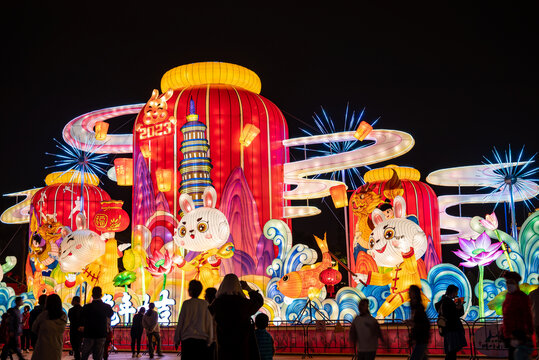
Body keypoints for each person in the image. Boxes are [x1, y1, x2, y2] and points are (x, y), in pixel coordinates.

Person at [208, 274, 264, 360]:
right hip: (242, 349)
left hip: (223, 349)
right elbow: (259, 301)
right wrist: (248, 288)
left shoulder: (216, 304)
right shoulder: (244, 304)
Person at [174, 280, 213, 360]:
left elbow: (181, 322)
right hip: (202, 341)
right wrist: (210, 339)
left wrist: (177, 339)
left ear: (190, 291)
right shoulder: (205, 304)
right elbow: (209, 323)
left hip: (187, 341)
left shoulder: (186, 304)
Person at [501, 271, 533, 360]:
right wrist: (504, 331)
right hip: (509, 335)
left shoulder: (522, 297)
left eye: (511, 283)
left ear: (516, 283)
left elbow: (527, 315)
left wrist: (528, 332)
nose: (508, 285)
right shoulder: (508, 296)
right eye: (507, 283)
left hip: (518, 335)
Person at [80, 287, 113, 360]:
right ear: (101, 295)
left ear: (92, 295)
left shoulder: (87, 307)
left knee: (85, 355)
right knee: (98, 355)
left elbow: (82, 317)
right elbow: (110, 314)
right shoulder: (106, 307)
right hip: (101, 334)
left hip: (89, 333)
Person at [30, 293, 67, 360]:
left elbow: (34, 328)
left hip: (43, 347)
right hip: (56, 347)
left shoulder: (44, 315)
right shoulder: (63, 316)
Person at [435, 285, 467, 360]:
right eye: (456, 292)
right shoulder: (448, 302)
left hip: (447, 329)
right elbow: (453, 315)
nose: (456, 294)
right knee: (452, 351)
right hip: (452, 328)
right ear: (452, 292)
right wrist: (459, 307)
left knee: (451, 350)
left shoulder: (444, 301)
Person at [408, 285, 430, 360]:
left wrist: (413, 324)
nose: (409, 293)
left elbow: (424, 323)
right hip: (419, 338)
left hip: (421, 338)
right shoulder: (414, 307)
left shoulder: (419, 308)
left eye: (411, 291)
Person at [204, 288, 217, 360]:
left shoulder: (207, 308)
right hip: (216, 340)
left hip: (207, 339)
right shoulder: (218, 307)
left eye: (205, 295)